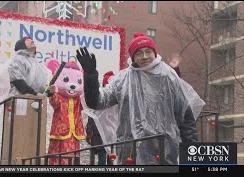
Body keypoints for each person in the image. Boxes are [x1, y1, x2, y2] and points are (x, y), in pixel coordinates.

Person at [76, 32, 205, 165]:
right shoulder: (122, 80)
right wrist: (90, 75)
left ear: (154, 53)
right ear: (132, 57)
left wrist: (191, 148)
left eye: (148, 51)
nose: (144, 56)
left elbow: (185, 115)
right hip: (130, 150)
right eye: (139, 53)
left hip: (163, 149)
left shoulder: (168, 76)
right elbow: (97, 102)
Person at [85, 71, 115, 165]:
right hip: (103, 134)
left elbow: (91, 116)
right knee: (106, 157)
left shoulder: (104, 97)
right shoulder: (103, 97)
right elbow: (91, 116)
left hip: (105, 135)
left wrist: (89, 132)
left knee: (106, 158)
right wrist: (89, 132)